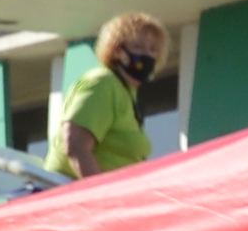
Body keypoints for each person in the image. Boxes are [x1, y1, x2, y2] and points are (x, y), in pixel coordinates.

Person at [60, 13, 171, 179]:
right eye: (138, 47)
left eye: (153, 49)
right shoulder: (102, 84)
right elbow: (75, 145)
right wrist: (102, 195)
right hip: (79, 197)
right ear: (117, 50)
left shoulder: (126, 91)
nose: (147, 55)